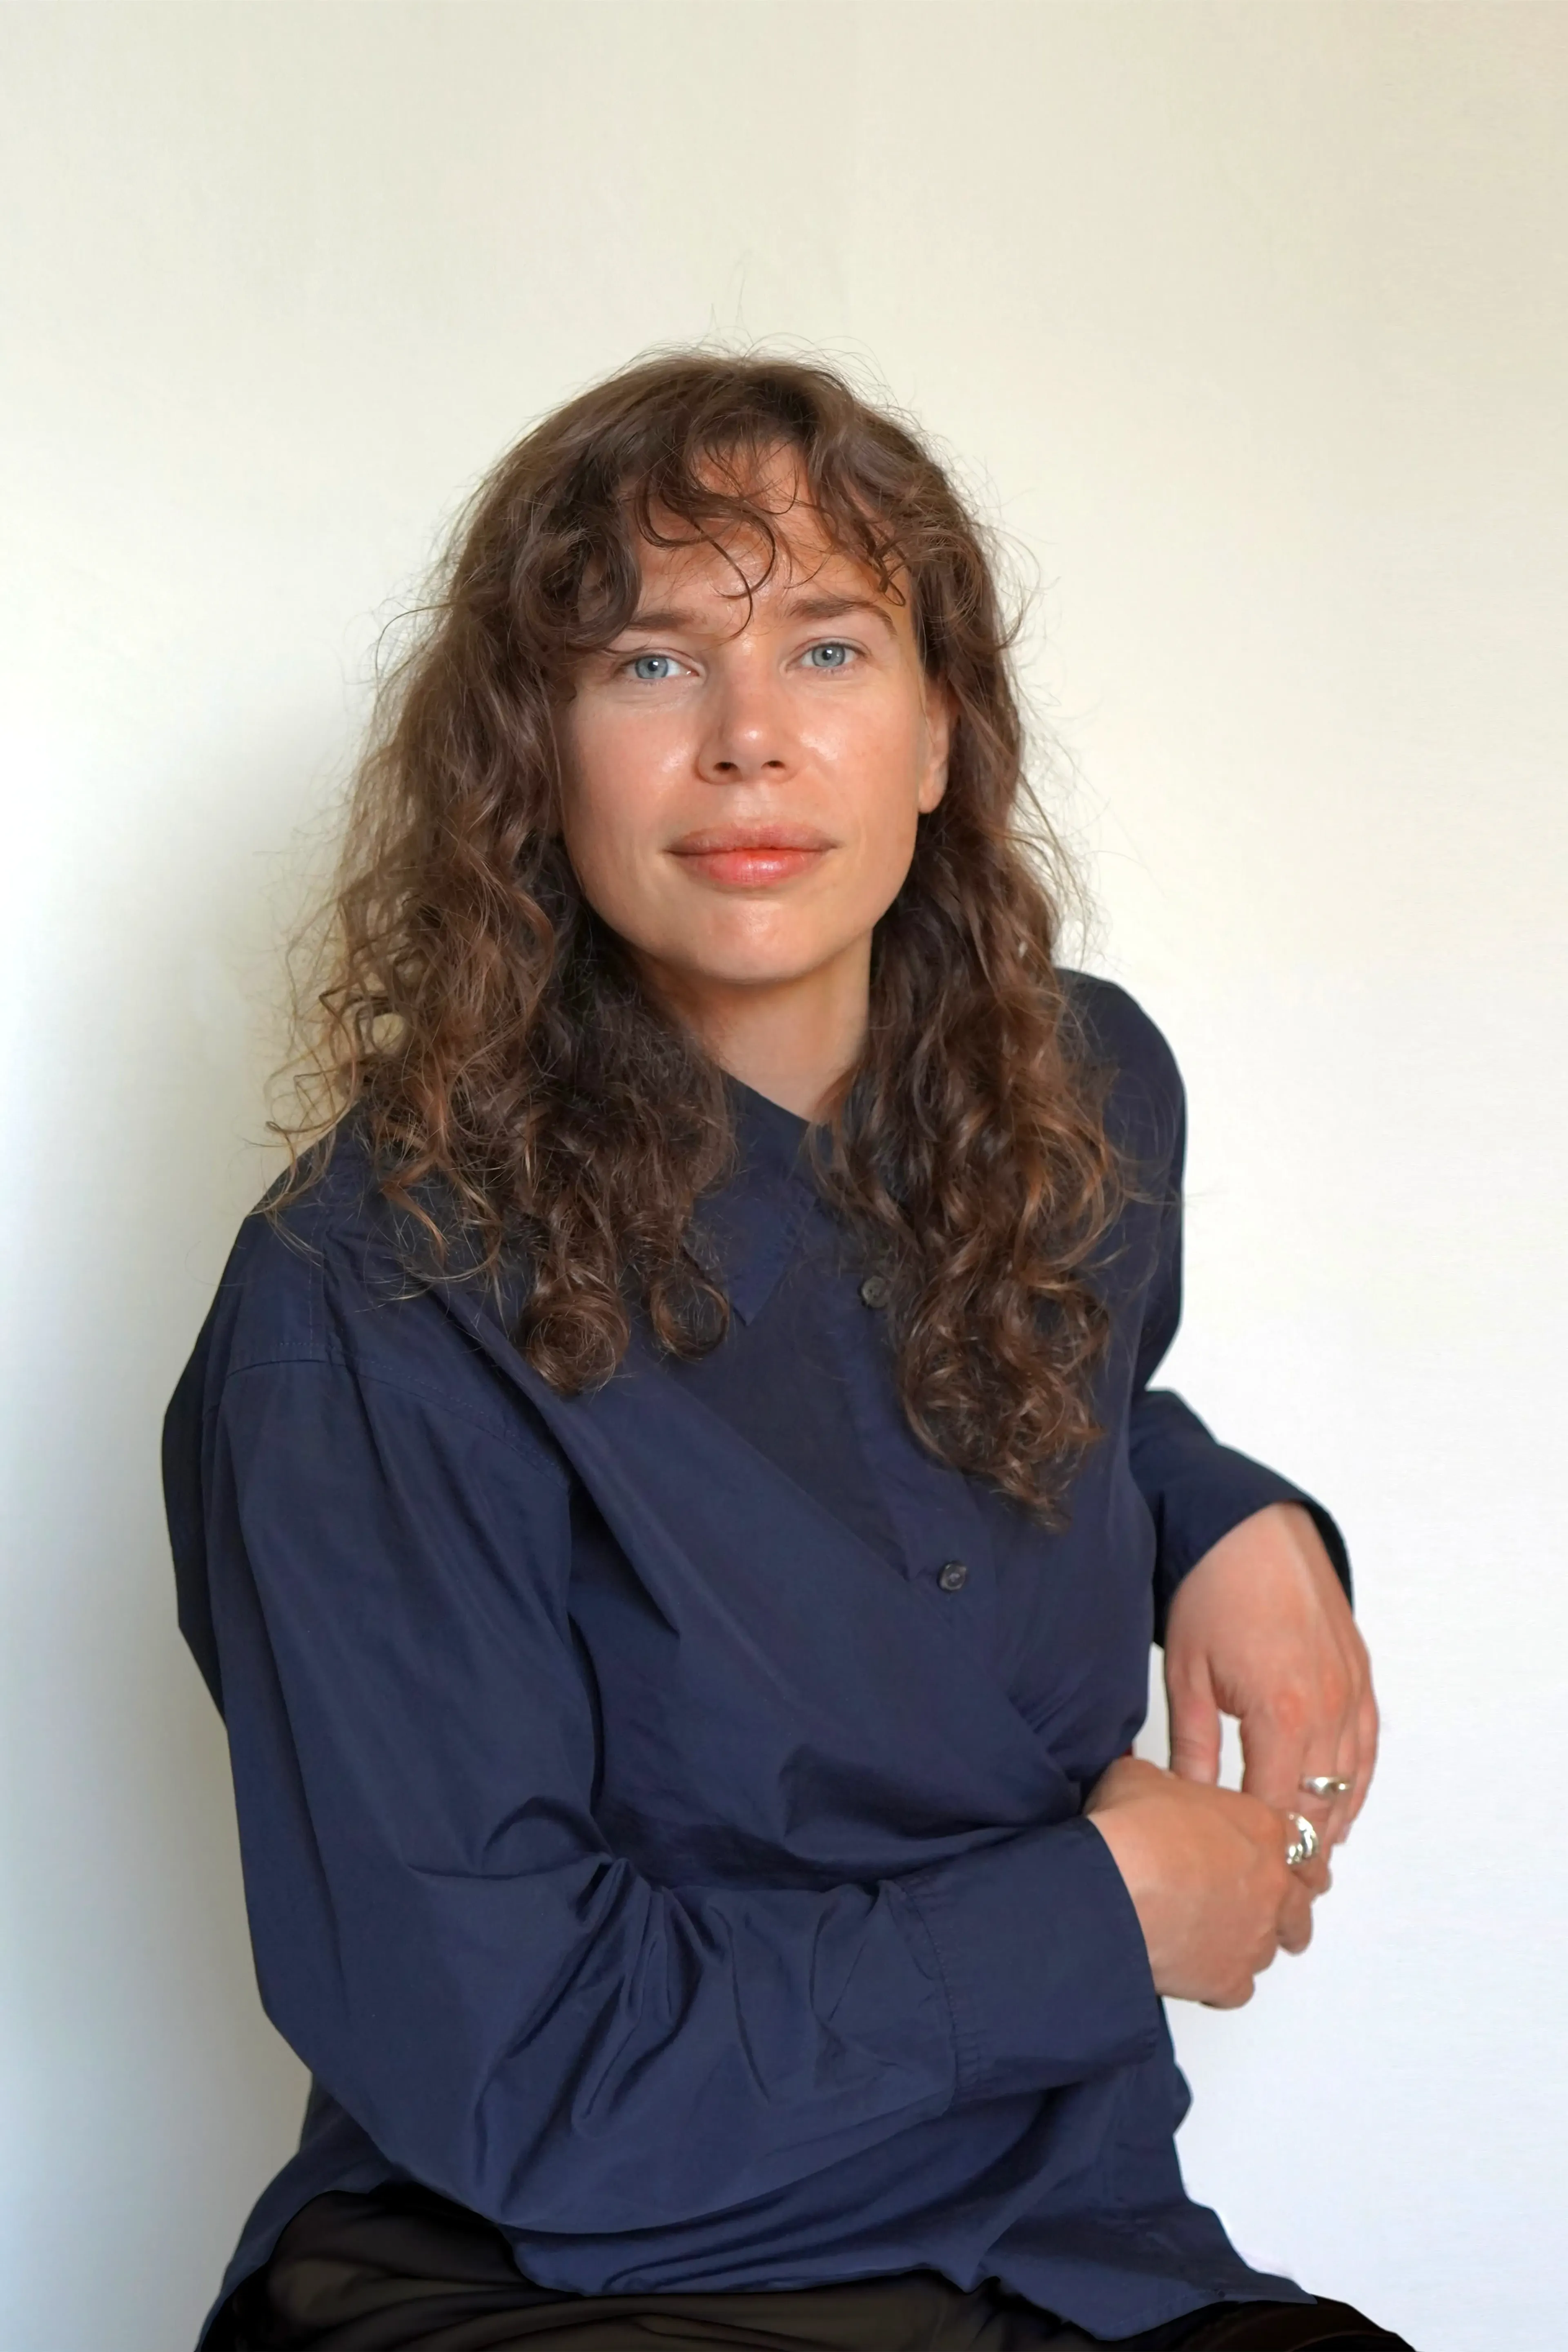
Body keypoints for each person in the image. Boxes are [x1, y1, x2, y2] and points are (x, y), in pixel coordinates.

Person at [164, 353, 1402, 2352]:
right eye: (651, 666)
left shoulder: (1086, 1102)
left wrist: (1218, 1511)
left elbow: (979, 1407)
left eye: (828, 648)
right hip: (566, 2276)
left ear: (938, 735)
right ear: (532, 757)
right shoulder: (366, 1295)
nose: (750, 741)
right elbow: (522, 2069)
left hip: (1055, 2242)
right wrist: (1096, 1922)